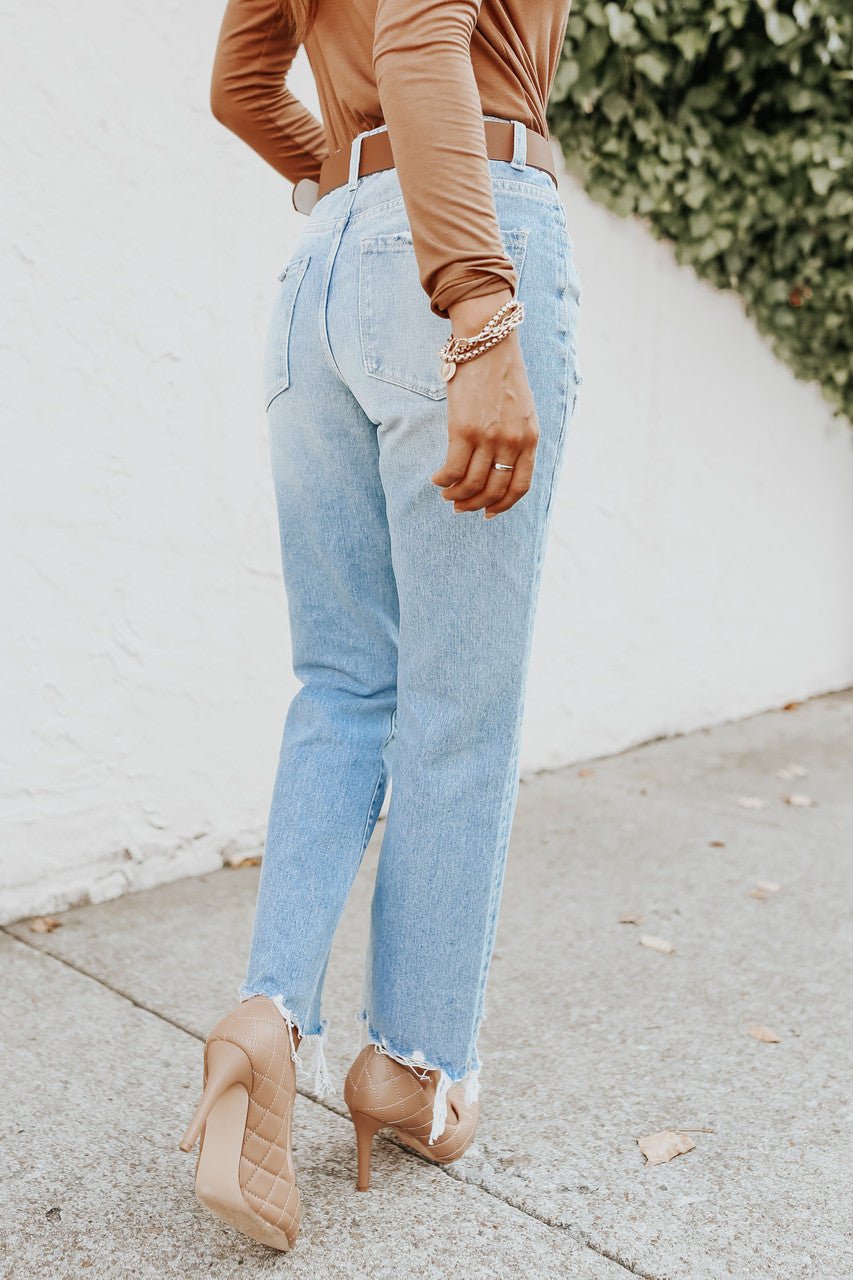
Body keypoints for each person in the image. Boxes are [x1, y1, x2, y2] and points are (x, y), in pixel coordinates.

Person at [180, 0, 581, 1252]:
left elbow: (244, 83)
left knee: (346, 683)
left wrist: (344, 190)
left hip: (327, 274)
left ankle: (266, 1014)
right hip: (461, 235)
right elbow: (418, 35)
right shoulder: (470, 283)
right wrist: (479, 306)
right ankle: (413, 1064)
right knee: (459, 703)